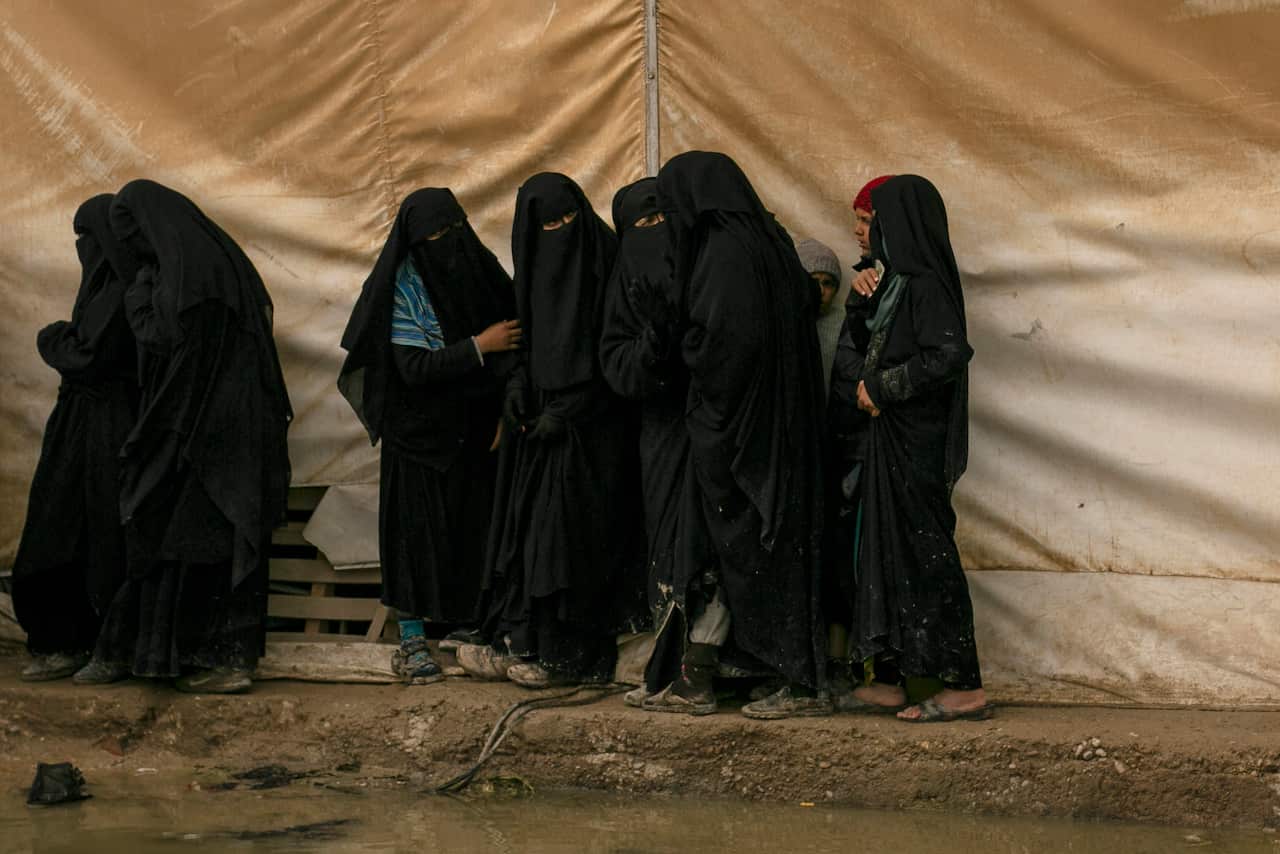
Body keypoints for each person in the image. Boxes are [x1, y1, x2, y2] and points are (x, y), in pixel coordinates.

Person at [74, 179, 293, 694]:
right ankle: (207, 659)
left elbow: (169, 348)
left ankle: (186, 659)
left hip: (197, 433)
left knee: (170, 537)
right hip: (231, 434)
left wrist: (139, 300)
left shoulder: (178, 280)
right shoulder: (220, 266)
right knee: (201, 542)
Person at [637, 151, 828, 719]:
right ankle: (772, 676)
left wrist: (679, 343)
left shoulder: (723, 255)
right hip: (781, 430)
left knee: (746, 551)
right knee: (769, 551)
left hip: (741, 436)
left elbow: (723, 347)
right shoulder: (766, 243)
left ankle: (798, 683)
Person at [459, 172, 638, 689]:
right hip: (539, 434)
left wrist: (573, 409)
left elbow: (617, 356)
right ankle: (523, 640)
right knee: (525, 538)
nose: (561, 231)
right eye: (548, 224)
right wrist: (517, 389)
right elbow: (526, 347)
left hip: (595, 441)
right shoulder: (533, 280)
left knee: (569, 544)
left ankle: (569, 655)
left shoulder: (607, 268)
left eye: (568, 219)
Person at [338, 188, 521, 683]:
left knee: (468, 531)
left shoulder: (483, 274)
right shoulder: (404, 287)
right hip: (416, 435)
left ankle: (464, 629)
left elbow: (517, 354)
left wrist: (506, 410)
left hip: (474, 432)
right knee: (415, 537)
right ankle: (413, 638)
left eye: (452, 230)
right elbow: (413, 367)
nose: (447, 242)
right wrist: (479, 347)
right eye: (435, 236)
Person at [842, 174, 991, 722]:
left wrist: (882, 387)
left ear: (894, 224)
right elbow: (872, 347)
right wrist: (861, 306)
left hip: (916, 444)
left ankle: (964, 685)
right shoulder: (891, 283)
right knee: (883, 554)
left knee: (926, 556)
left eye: (867, 221)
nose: (860, 233)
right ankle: (889, 679)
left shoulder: (925, 285)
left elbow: (948, 355)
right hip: (889, 442)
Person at [11, 195, 138, 681]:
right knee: (60, 525)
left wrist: (51, 337)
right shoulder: (102, 289)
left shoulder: (120, 294)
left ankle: (94, 645)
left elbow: (88, 356)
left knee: (96, 531)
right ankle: (63, 641)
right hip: (81, 424)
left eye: (86, 236)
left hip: (107, 426)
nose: (82, 247)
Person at [598, 178, 710, 706]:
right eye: (642, 226)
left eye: (662, 220)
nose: (655, 234)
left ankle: (706, 667)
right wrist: (654, 345)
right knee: (669, 544)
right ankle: (668, 666)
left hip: (714, 423)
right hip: (662, 432)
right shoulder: (624, 289)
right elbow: (618, 364)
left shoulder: (706, 269)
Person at [795, 237, 843, 390]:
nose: (821, 291)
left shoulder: (843, 326)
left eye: (828, 283)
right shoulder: (781, 319)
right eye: (813, 281)